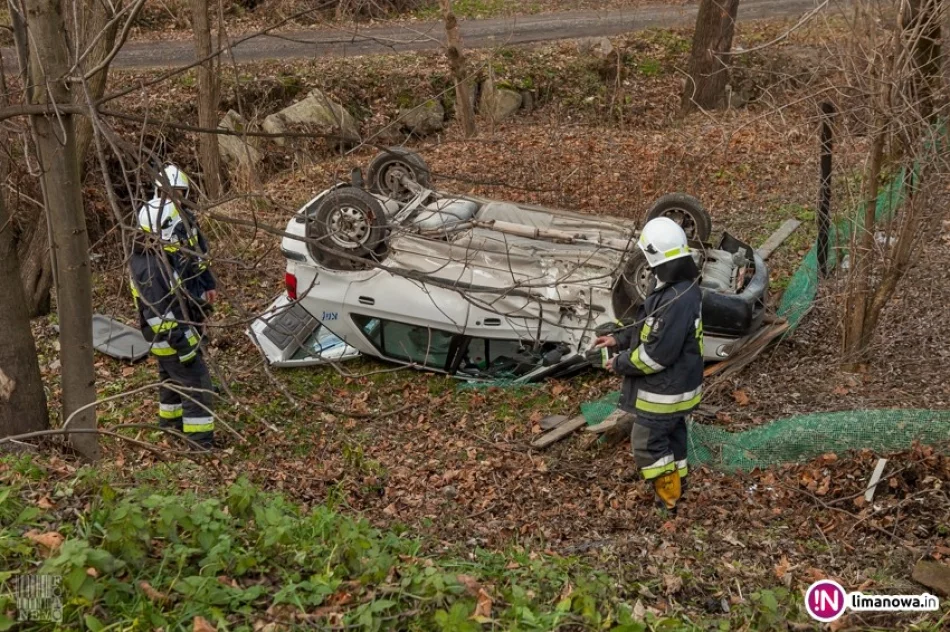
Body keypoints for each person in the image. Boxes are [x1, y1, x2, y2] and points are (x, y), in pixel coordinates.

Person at [592, 217, 704, 513]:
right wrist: (618, 340)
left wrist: (620, 364)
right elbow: (647, 326)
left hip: (664, 393)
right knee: (673, 441)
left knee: (647, 443)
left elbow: (656, 356)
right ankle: (678, 489)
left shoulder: (676, 299)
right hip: (676, 387)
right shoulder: (673, 284)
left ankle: (668, 501)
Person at [130, 194, 216, 449]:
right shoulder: (153, 266)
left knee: (171, 381)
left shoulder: (153, 254)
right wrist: (187, 348)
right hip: (171, 339)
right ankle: (199, 444)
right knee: (197, 386)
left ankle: (170, 426)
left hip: (164, 339)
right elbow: (160, 316)